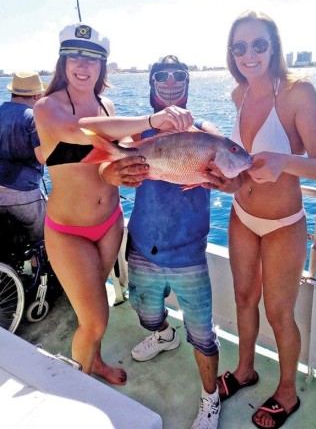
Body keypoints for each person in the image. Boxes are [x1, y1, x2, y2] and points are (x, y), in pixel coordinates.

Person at [33, 24, 191, 385]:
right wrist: (152, 119)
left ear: (103, 65)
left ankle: (97, 362)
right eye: (75, 56)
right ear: (62, 61)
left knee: (96, 307)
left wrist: (122, 166)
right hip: (69, 230)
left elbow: (99, 157)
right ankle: (78, 389)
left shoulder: (108, 105)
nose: (83, 66)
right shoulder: (47, 107)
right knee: (95, 319)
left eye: (92, 58)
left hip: (109, 222)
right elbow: (77, 132)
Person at [202, 11, 316, 429]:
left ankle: (287, 391)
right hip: (243, 214)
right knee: (243, 299)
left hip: (284, 224)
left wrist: (284, 162)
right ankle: (245, 370)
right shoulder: (237, 95)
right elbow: (245, 163)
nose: (249, 54)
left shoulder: (300, 93)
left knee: (279, 312)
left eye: (258, 44)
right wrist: (226, 182)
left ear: (274, 46)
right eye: (239, 47)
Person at [86, 55, 222, 429]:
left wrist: (230, 179)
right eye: (161, 75)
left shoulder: (205, 132)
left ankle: (210, 397)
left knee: (203, 333)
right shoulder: (137, 134)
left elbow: (238, 177)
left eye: (180, 74)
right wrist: (109, 172)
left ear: (188, 83)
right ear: (151, 84)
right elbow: (100, 151)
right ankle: (163, 335)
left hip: (188, 252)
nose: (171, 80)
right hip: (143, 244)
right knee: (146, 314)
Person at [0, 71, 47, 260]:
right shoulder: (32, 117)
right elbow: (43, 157)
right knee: (42, 240)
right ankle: (43, 286)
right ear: (36, 95)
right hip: (23, 192)